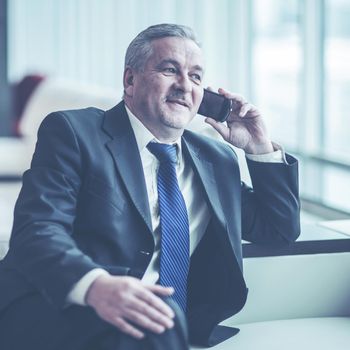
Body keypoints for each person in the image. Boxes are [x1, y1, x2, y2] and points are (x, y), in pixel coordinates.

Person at [0, 23, 300, 349]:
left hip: (164, 322)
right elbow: (38, 229)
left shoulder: (216, 159)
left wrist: (260, 148)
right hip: (62, 305)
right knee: (160, 319)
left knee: (161, 319)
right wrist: (98, 286)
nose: (185, 85)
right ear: (130, 79)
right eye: (170, 70)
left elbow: (278, 228)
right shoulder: (74, 132)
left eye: (196, 76)